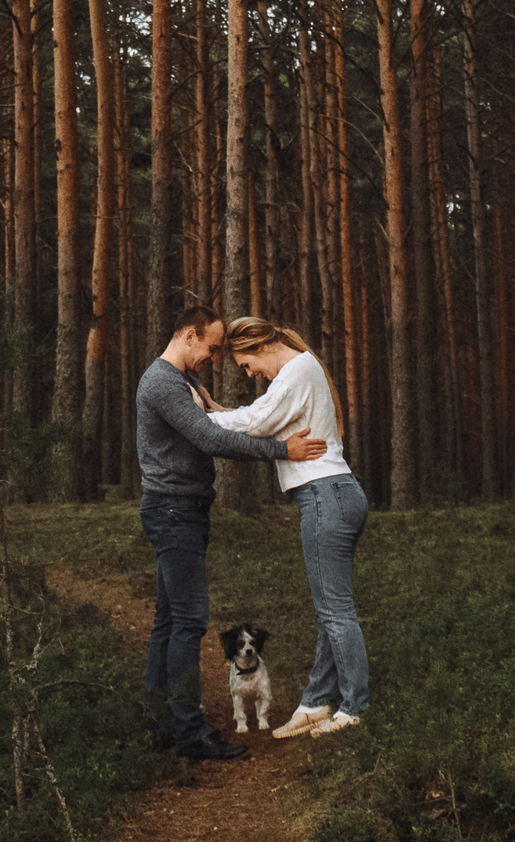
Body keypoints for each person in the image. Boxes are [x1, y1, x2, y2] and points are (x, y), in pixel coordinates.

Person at [136, 304, 327, 761]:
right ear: (190, 334)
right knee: (188, 622)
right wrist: (283, 450)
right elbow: (210, 438)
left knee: (168, 621)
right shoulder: (163, 382)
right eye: (212, 347)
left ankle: (160, 723)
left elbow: (224, 419)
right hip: (173, 511)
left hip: (183, 510)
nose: (213, 357)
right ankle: (189, 733)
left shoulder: (187, 383)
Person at [202, 315, 367, 738]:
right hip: (332, 494)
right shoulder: (300, 370)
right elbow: (259, 416)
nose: (250, 373)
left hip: (323, 495)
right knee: (329, 608)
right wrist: (223, 414)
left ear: (256, 347)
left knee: (336, 610)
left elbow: (256, 424)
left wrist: (199, 419)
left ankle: (353, 709)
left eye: (245, 364)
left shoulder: (294, 371)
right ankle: (316, 701)